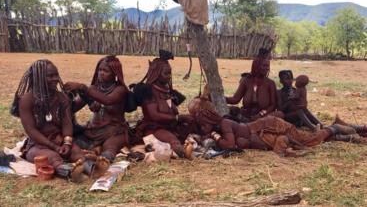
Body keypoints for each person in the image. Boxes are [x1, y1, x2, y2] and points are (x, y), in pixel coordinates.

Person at [11, 59, 85, 181]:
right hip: (37, 145)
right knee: (52, 157)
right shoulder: (26, 100)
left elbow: (67, 122)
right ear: (38, 78)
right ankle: (69, 172)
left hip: (60, 140)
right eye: (50, 76)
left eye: (56, 75)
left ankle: (92, 168)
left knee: (77, 153)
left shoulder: (62, 98)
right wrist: (54, 147)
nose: (55, 78)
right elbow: (31, 131)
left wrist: (67, 143)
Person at [194, 108, 367, 157]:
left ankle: (339, 127)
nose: (203, 129)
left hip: (271, 126)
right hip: (267, 132)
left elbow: (230, 145)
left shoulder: (224, 124)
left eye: (203, 125)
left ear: (209, 121)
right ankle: (347, 137)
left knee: (309, 138)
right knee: (309, 141)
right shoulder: (223, 126)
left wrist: (213, 136)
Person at [64, 55, 128, 178]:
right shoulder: (93, 89)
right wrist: (68, 97)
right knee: (74, 144)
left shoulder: (120, 90)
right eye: (100, 70)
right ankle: (89, 160)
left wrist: (84, 88)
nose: (101, 73)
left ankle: (102, 162)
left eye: (106, 71)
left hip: (114, 130)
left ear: (114, 73)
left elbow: (108, 100)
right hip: (93, 131)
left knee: (111, 147)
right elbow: (75, 107)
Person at [131, 50, 192, 158]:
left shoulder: (167, 91)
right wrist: (177, 118)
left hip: (171, 126)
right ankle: (182, 152)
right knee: (173, 141)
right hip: (154, 128)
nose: (169, 76)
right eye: (166, 73)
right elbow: (154, 115)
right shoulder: (148, 91)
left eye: (170, 73)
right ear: (156, 73)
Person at [225, 48, 278, 122]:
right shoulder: (246, 81)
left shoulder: (270, 83)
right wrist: (219, 98)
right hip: (245, 115)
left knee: (279, 114)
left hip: (263, 117)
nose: (267, 68)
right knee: (226, 110)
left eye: (268, 66)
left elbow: (273, 105)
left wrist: (260, 114)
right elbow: (235, 99)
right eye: (264, 66)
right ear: (256, 66)